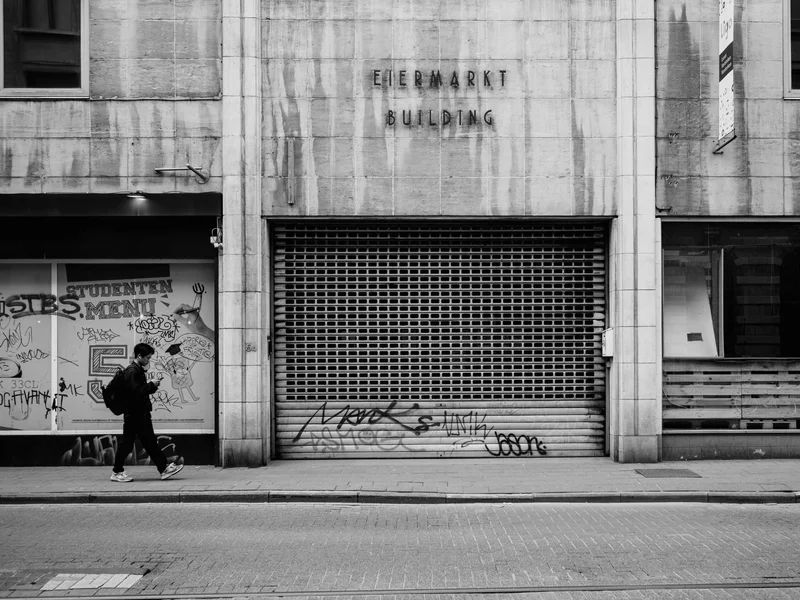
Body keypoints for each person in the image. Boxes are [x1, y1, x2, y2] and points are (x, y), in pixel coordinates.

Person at [110, 343, 184, 482]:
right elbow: (135, 393)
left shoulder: (136, 370)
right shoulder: (133, 371)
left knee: (147, 443)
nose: (149, 361)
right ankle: (117, 471)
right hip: (136, 414)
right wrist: (151, 385)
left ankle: (163, 469)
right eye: (148, 358)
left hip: (137, 413)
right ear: (139, 356)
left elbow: (140, 390)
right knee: (132, 444)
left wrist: (151, 385)